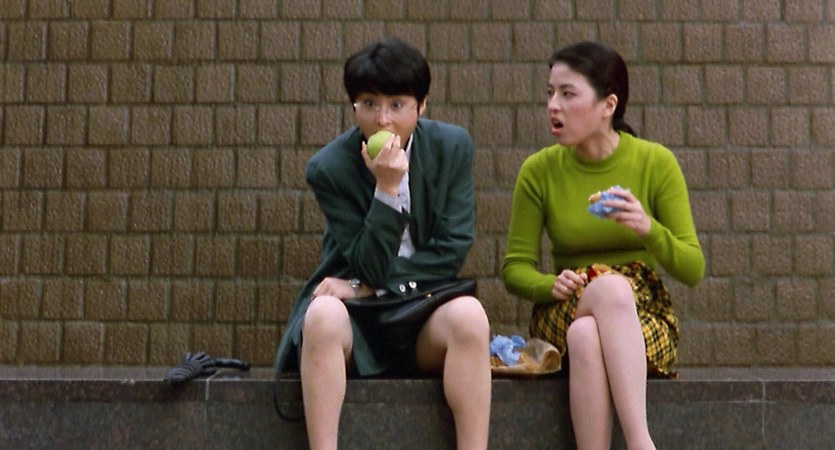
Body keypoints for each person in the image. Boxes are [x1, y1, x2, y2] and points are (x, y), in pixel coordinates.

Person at [273, 36, 491, 450]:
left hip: (420, 310)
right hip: (358, 321)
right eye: (369, 104)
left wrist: (366, 288)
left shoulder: (451, 147)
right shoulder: (329, 168)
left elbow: (452, 250)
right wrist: (387, 191)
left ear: (421, 106)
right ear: (353, 106)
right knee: (321, 315)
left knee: (470, 316)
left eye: (397, 105)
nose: (383, 119)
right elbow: (367, 263)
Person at [501, 41, 704, 450]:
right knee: (605, 292)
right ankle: (641, 443)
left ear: (608, 105)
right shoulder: (538, 171)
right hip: (563, 306)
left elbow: (692, 268)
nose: (553, 106)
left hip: (640, 315)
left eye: (568, 94)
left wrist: (648, 228)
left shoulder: (655, 162)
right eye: (550, 93)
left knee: (587, 335)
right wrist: (549, 285)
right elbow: (514, 268)